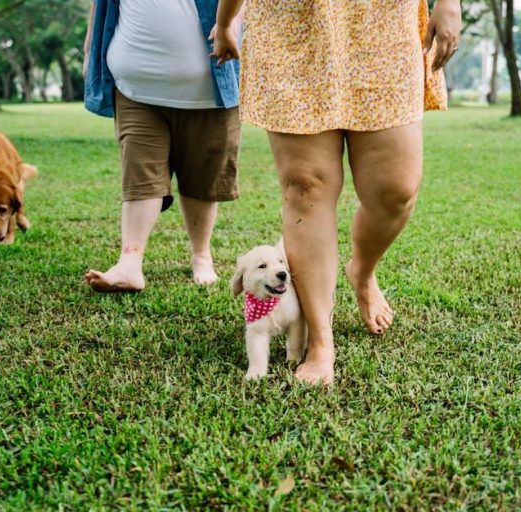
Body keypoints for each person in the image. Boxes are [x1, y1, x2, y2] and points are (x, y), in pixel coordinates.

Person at [214, 0, 462, 385]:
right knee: (305, 187)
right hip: (292, 23)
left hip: (380, 21)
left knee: (396, 189)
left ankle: (362, 271)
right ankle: (321, 342)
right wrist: (226, 19)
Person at [82, 0, 242, 292]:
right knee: (140, 171)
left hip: (210, 88)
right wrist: (90, 45)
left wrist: (228, 24)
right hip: (136, 90)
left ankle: (201, 255)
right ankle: (129, 263)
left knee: (202, 178)